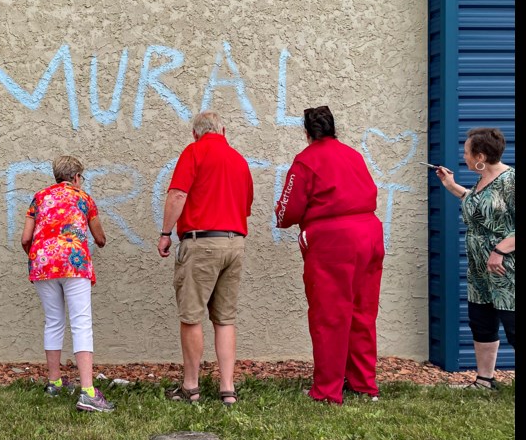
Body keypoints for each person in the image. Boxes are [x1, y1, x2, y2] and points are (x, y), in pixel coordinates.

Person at [274, 105, 384, 405]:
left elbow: (288, 209)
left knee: (330, 315)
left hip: (334, 242)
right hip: (370, 234)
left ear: (307, 133)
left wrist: (281, 217)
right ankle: (363, 383)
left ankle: (327, 389)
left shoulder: (306, 161)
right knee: (363, 312)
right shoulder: (354, 156)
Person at [157, 111, 254, 406]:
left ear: (195, 133)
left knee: (192, 316)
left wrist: (165, 233)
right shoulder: (239, 160)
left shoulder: (194, 152)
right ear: (223, 130)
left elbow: (177, 195)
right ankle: (227, 389)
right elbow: (246, 205)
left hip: (202, 243)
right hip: (234, 243)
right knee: (225, 319)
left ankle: (191, 386)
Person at [20, 155, 113, 413]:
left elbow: (26, 237)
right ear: (76, 177)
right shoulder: (83, 198)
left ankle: (54, 382)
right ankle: (87, 392)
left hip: (42, 263)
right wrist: (97, 241)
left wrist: (38, 253)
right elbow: (100, 236)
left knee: (53, 320)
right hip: (73, 263)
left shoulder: (38, 197)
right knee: (81, 321)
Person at [432, 127, 515, 390]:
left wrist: (500, 250)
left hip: (506, 268)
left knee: (513, 326)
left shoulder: (510, 180)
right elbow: (479, 206)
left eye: (466, 152)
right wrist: (451, 186)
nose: (463, 156)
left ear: (480, 155)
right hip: (480, 269)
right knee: (481, 322)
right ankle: (484, 381)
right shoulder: (481, 181)